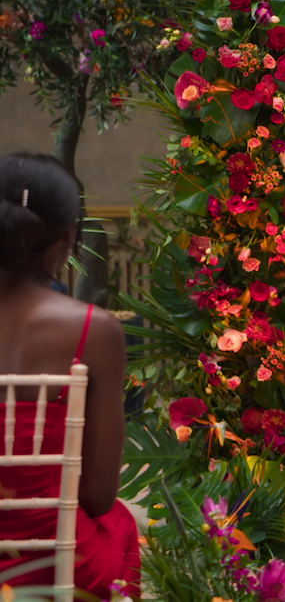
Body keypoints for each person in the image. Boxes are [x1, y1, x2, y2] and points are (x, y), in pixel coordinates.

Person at [0, 152, 140, 596]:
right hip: (58, 560)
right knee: (120, 526)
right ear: (68, 238)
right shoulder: (94, 332)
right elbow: (98, 495)